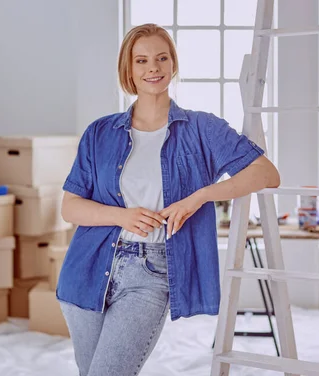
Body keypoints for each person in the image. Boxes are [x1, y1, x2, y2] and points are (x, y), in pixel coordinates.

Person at [56, 23, 280, 376]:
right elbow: (70, 207)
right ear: (129, 70)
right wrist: (122, 217)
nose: (153, 68)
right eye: (142, 60)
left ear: (173, 64)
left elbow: (266, 173)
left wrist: (201, 196)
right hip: (87, 269)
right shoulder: (100, 132)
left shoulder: (201, 128)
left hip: (152, 270)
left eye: (162, 58)